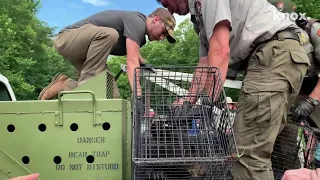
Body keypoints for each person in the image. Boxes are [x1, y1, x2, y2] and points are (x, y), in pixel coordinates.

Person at [156, 0, 311, 179]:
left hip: (275, 53)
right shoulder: (200, 20)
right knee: (259, 144)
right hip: (277, 57)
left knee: (246, 153)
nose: (170, 9)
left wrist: (207, 102)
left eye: (167, 2)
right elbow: (204, 64)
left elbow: (221, 51)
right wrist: (188, 102)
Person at [38, 8, 176, 100]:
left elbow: (135, 56)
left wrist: (144, 63)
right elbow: (131, 62)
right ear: (156, 20)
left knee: (111, 97)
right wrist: (138, 95)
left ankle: (64, 85)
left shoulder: (139, 38)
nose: (162, 38)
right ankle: (87, 84)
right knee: (110, 35)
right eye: (163, 32)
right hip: (66, 39)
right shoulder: (137, 21)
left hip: (86, 54)